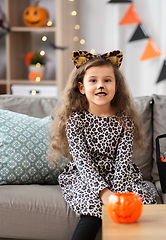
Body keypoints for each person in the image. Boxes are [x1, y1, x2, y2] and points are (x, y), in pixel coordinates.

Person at [48, 50, 157, 240]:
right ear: (81, 87)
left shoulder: (125, 120)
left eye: (107, 80)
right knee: (93, 207)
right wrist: (104, 193)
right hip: (86, 176)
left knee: (140, 202)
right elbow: (83, 161)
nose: (100, 86)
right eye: (93, 81)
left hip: (120, 175)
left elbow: (124, 160)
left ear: (116, 86)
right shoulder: (75, 121)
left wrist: (117, 193)